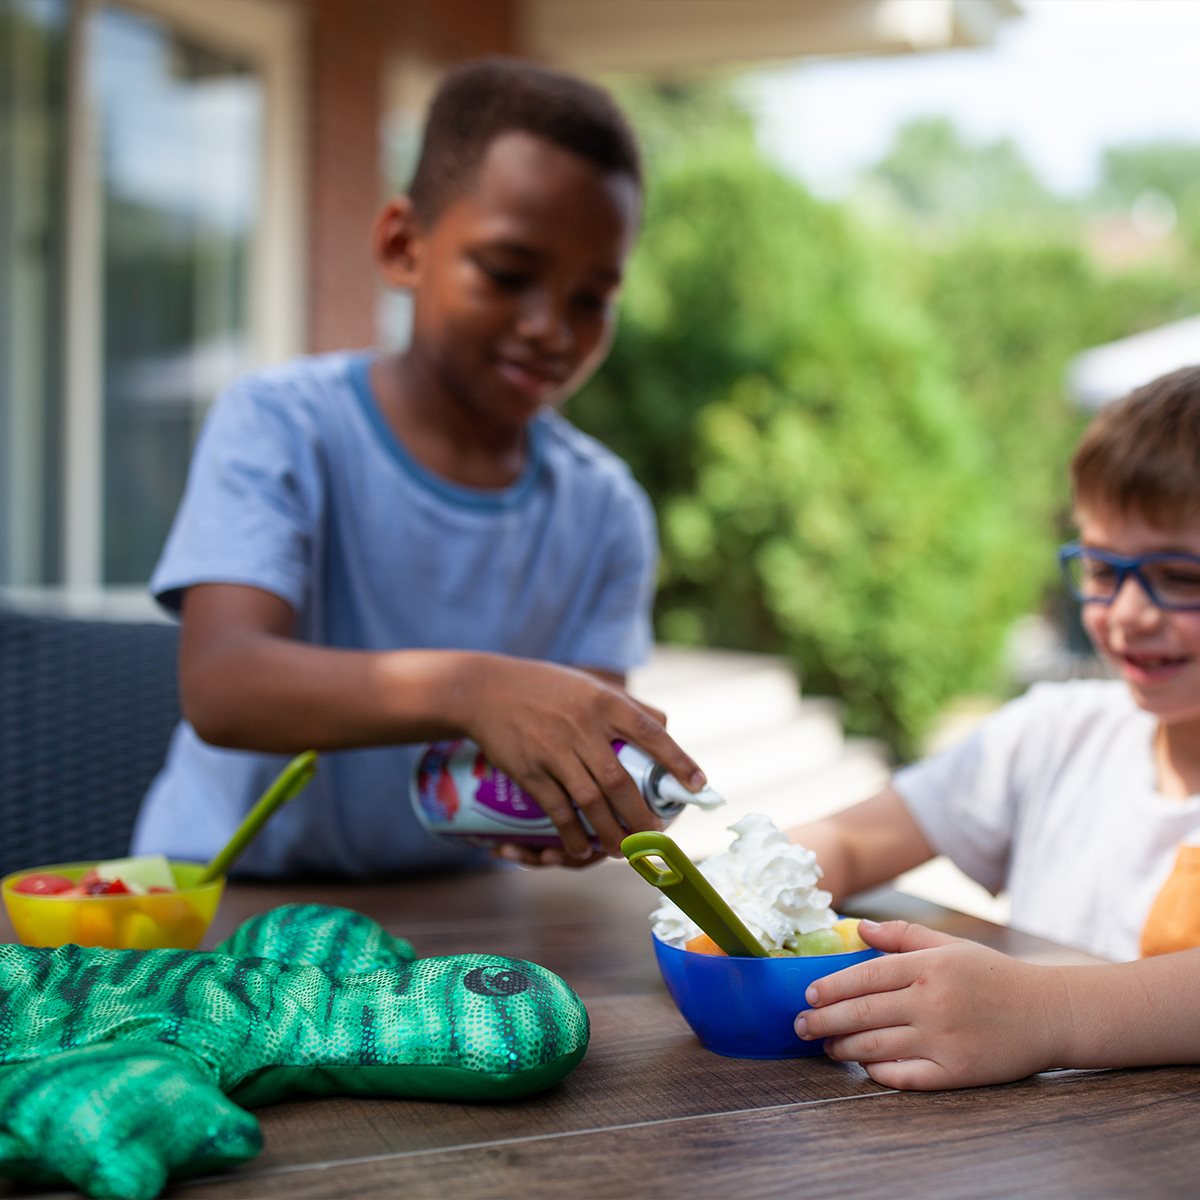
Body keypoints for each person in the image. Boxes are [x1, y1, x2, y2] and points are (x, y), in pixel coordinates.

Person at [131, 57, 708, 879]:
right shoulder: (282, 423)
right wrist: (468, 688)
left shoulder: (605, 509)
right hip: (222, 903)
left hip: (456, 920)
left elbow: (570, 744)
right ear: (404, 246)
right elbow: (224, 685)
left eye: (591, 298)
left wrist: (573, 797)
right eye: (508, 273)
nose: (550, 327)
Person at [787, 364, 1200, 1090]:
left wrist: (1043, 1012)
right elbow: (851, 839)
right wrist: (743, 892)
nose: (1130, 612)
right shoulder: (1056, 735)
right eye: (1103, 570)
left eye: (1182, 577)